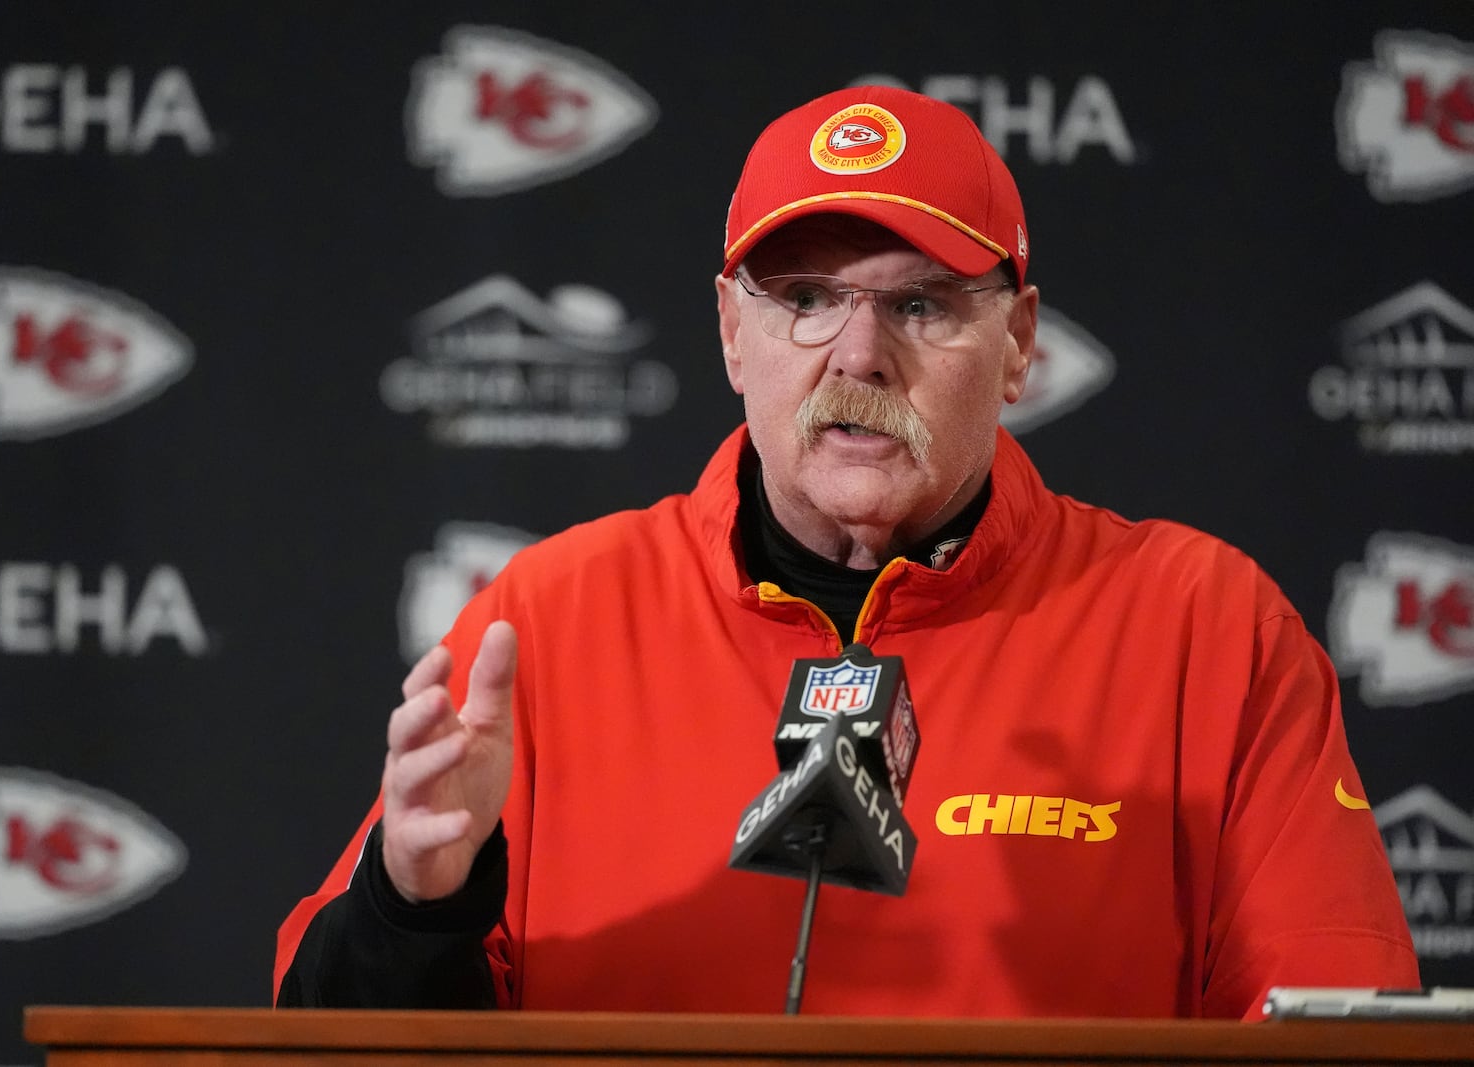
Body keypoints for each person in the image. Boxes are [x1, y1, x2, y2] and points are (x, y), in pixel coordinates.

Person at [274, 85, 1419, 1018]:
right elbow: (326, 1043)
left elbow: (1335, 1025)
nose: (857, 355)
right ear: (731, 332)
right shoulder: (552, 617)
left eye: (919, 305)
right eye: (805, 297)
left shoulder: (1204, 628)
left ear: (1018, 343)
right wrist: (412, 901)